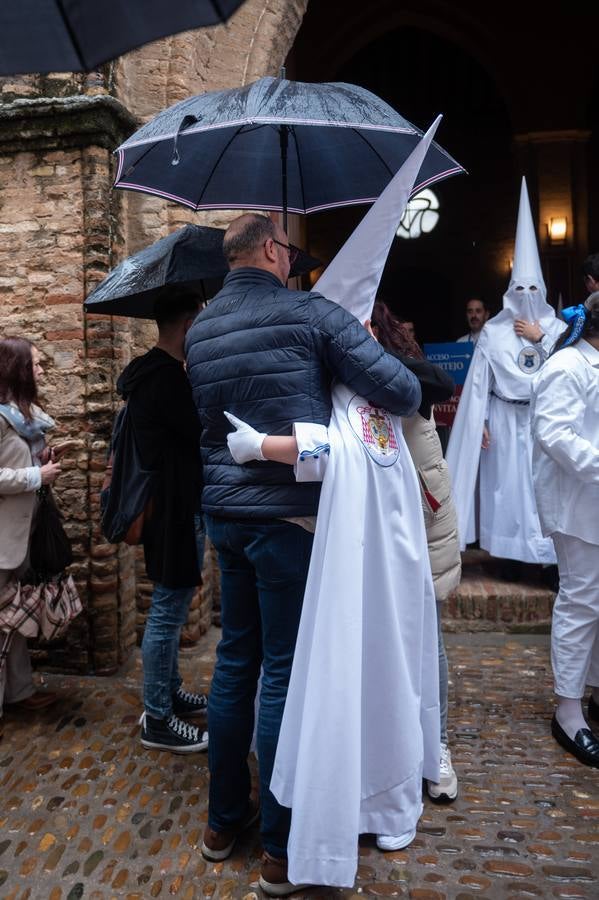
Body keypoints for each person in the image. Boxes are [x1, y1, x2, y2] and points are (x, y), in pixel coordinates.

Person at [185, 212, 421, 895]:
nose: (293, 259)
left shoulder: (200, 330)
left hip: (225, 515)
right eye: (288, 249)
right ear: (269, 249)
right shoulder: (310, 314)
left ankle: (222, 821)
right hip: (289, 518)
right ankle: (283, 849)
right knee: (287, 673)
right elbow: (403, 391)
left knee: (235, 661)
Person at [370, 299, 461, 803]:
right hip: (375, 518)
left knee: (429, 638)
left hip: (421, 516)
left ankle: (437, 745)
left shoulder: (406, 372)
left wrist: (367, 351)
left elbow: (438, 384)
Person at [446, 177, 565, 563]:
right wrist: (477, 420)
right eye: (520, 291)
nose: (527, 299)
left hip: (544, 418)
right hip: (502, 417)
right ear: (510, 291)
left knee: (543, 487)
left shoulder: (559, 331)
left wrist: (540, 337)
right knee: (509, 490)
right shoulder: (493, 332)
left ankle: (547, 558)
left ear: (543, 291)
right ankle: (511, 555)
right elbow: (480, 382)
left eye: (534, 291)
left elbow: (571, 368)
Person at [117, 293, 208, 754]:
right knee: (168, 610)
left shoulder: (151, 374)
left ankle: (168, 690)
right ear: (189, 325)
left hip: (169, 506)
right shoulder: (168, 380)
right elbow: (202, 434)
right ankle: (157, 717)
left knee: (170, 607)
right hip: (172, 509)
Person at [530, 292, 599, 768]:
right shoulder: (567, 366)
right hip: (576, 507)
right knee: (581, 600)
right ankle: (568, 710)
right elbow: (554, 434)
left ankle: (592, 694)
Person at [0, 337, 62, 737]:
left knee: (12, 619)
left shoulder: (23, 418)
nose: (41, 371)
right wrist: (35, 476)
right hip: (2, 537)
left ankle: (19, 693)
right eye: (36, 365)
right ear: (17, 370)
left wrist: (41, 461)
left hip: (23, 533)